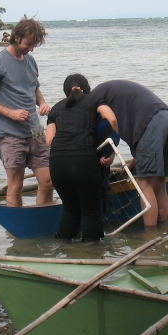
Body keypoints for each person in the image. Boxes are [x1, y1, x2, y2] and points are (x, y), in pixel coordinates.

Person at [0, 17, 53, 206]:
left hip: (35, 131)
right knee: (16, 184)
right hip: (9, 134)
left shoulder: (30, 61)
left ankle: (42, 218)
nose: (31, 49)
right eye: (29, 44)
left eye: (34, 45)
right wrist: (10, 113)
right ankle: (16, 230)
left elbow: (33, 88)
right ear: (17, 37)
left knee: (48, 181)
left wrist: (41, 103)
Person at [90, 79, 168, 227]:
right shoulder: (107, 92)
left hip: (150, 123)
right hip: (167, 117)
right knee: (159, 181)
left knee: (145, 182)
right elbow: (136, 124)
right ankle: (163, 229)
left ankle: (151, 237)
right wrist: (135, 161)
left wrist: (110, 156)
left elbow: (109, 132)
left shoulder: (93, 102)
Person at [45, 74, 118, 241]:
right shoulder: (95, 101)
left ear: (66, 92)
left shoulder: (55, 108)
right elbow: (112, 119)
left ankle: (65, 249)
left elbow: (49, 141)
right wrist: (111, 148)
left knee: (70, 209)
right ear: (87, 89)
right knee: (91, 211)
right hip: (83, 160)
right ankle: (91, 254)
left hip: (57, 163)